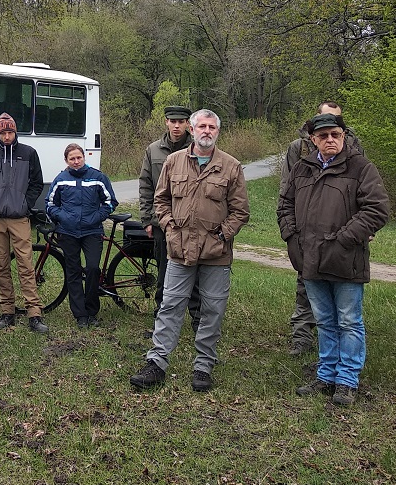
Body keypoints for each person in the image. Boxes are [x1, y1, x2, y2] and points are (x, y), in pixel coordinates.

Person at [130, 109, 249, 393]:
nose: (206, 131)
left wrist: (222, 235)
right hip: (179, 251)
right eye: (201, 127)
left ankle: (203, 366)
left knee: (211, 310)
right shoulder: (173, 162)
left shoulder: (231, 166)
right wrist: (169, 227)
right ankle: (156, 363)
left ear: (217, 132)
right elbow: (161, 199)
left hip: (216, 255)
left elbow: (240, 210)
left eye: (212, 127)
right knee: (170, 306)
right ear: (192, 131)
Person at [279, 111, 389, 406]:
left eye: (335, 135)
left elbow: (377, 210)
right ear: (313, 140)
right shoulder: (302, 168)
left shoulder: (360, 167)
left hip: (345, 258)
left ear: (343, 137)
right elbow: (284, 205)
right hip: (309, 259)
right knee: (325, 321)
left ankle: (347, 381)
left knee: (349, 321)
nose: (330, 140)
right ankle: (326, 375)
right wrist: (292, 239)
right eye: (323, 136)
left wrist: (344, 238)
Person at [278, 101, 361, 356]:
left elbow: (364, 195)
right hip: (308, 233)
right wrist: (291, 234)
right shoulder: (298, 149)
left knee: (345, 301)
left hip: (342, 234)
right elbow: (287, 193)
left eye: (335, 124)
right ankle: (302, 335)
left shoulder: (354, 148)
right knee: (305, 286)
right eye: (324, 124)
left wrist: (355, 232)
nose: (330, 134)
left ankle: (343, 355)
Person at [0, 112, 49, 333]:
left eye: (10, 132)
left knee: (26, 265)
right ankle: (7, 312)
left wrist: (25, 204)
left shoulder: (29, 153)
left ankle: (34, 314)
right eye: (3, 132)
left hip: (20, 218)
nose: (7, 136)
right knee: (2, 266)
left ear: (15, 132)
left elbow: (37, 182)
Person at [47, 143, 115, 328]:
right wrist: (63, 217)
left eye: (79, 158)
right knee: (73, 272)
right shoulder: (60, 179)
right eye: (72, 159)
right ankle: (80, 315)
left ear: (84, 157)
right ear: (66, 161)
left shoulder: (98, 177)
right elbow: (50, 204)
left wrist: (97, 217)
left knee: (93, 268)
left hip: (92, 231)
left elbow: (110, 201)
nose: (76, 161)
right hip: (68, 232)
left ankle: (92, 311)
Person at [138, 106, 196, 317]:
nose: (177, 125)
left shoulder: (198, 147)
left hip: (191, 221)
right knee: (165, 270)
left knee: (194, 269)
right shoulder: (153, 150)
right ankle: (161, 314)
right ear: (166, 122)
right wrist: (147, 219)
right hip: (163, 221)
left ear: (188, 124)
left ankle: (196, 318)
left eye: (181, 121)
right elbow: (145, 185)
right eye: (173, 121)